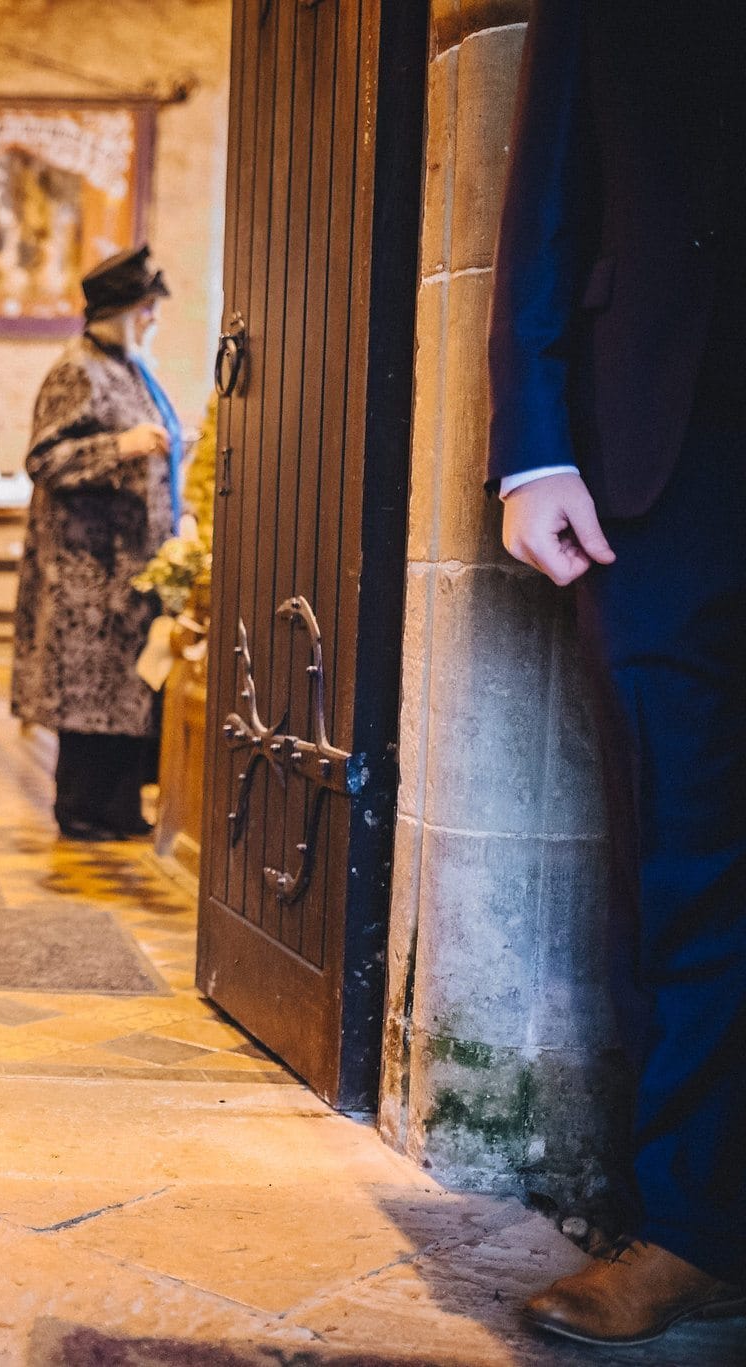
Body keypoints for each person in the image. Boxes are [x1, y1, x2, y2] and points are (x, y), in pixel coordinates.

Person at [488, 1, 745, 1348]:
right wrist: (531, 446)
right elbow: (545, 201)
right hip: (670, 459)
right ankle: (695, 1225)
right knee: (685, 853)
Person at [11, 244, 185, 841]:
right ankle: (84, 810)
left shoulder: (130, 369)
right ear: (121, 314)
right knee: (91, 702)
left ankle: (118, 810)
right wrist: (122, 447)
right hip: (87, 576)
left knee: (125, 695)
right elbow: (44, 459)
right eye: (146, 310)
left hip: (130, 572)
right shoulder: (75, 369)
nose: (154, 320)